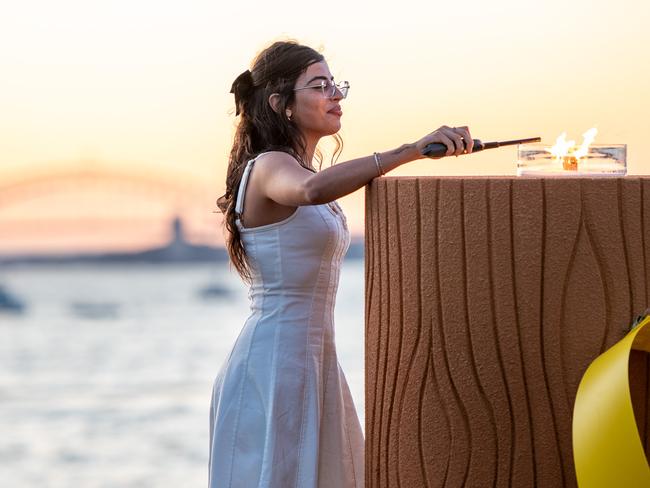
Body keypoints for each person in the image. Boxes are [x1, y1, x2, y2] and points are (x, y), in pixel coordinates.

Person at [210, 39, 473, 488]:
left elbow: (320, 187)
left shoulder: (305, 169)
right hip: (274, 363)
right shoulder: (271, 165)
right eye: (319, 85)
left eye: (336, 84)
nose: (335, 94)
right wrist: (411, 149)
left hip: (315, 360)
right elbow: (312, 193)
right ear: (282, 105)